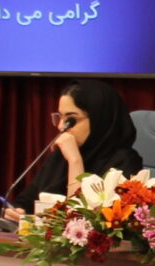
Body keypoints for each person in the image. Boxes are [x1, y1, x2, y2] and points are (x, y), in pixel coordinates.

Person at [10, 80, 142, 208]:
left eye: (71, 120)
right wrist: (17, 212)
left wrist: (75, 161)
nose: (60, 126)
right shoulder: (60, 156)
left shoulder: (125, 162)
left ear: (99, 119)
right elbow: (26, 201)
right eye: (60, 117)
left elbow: (82, 216)